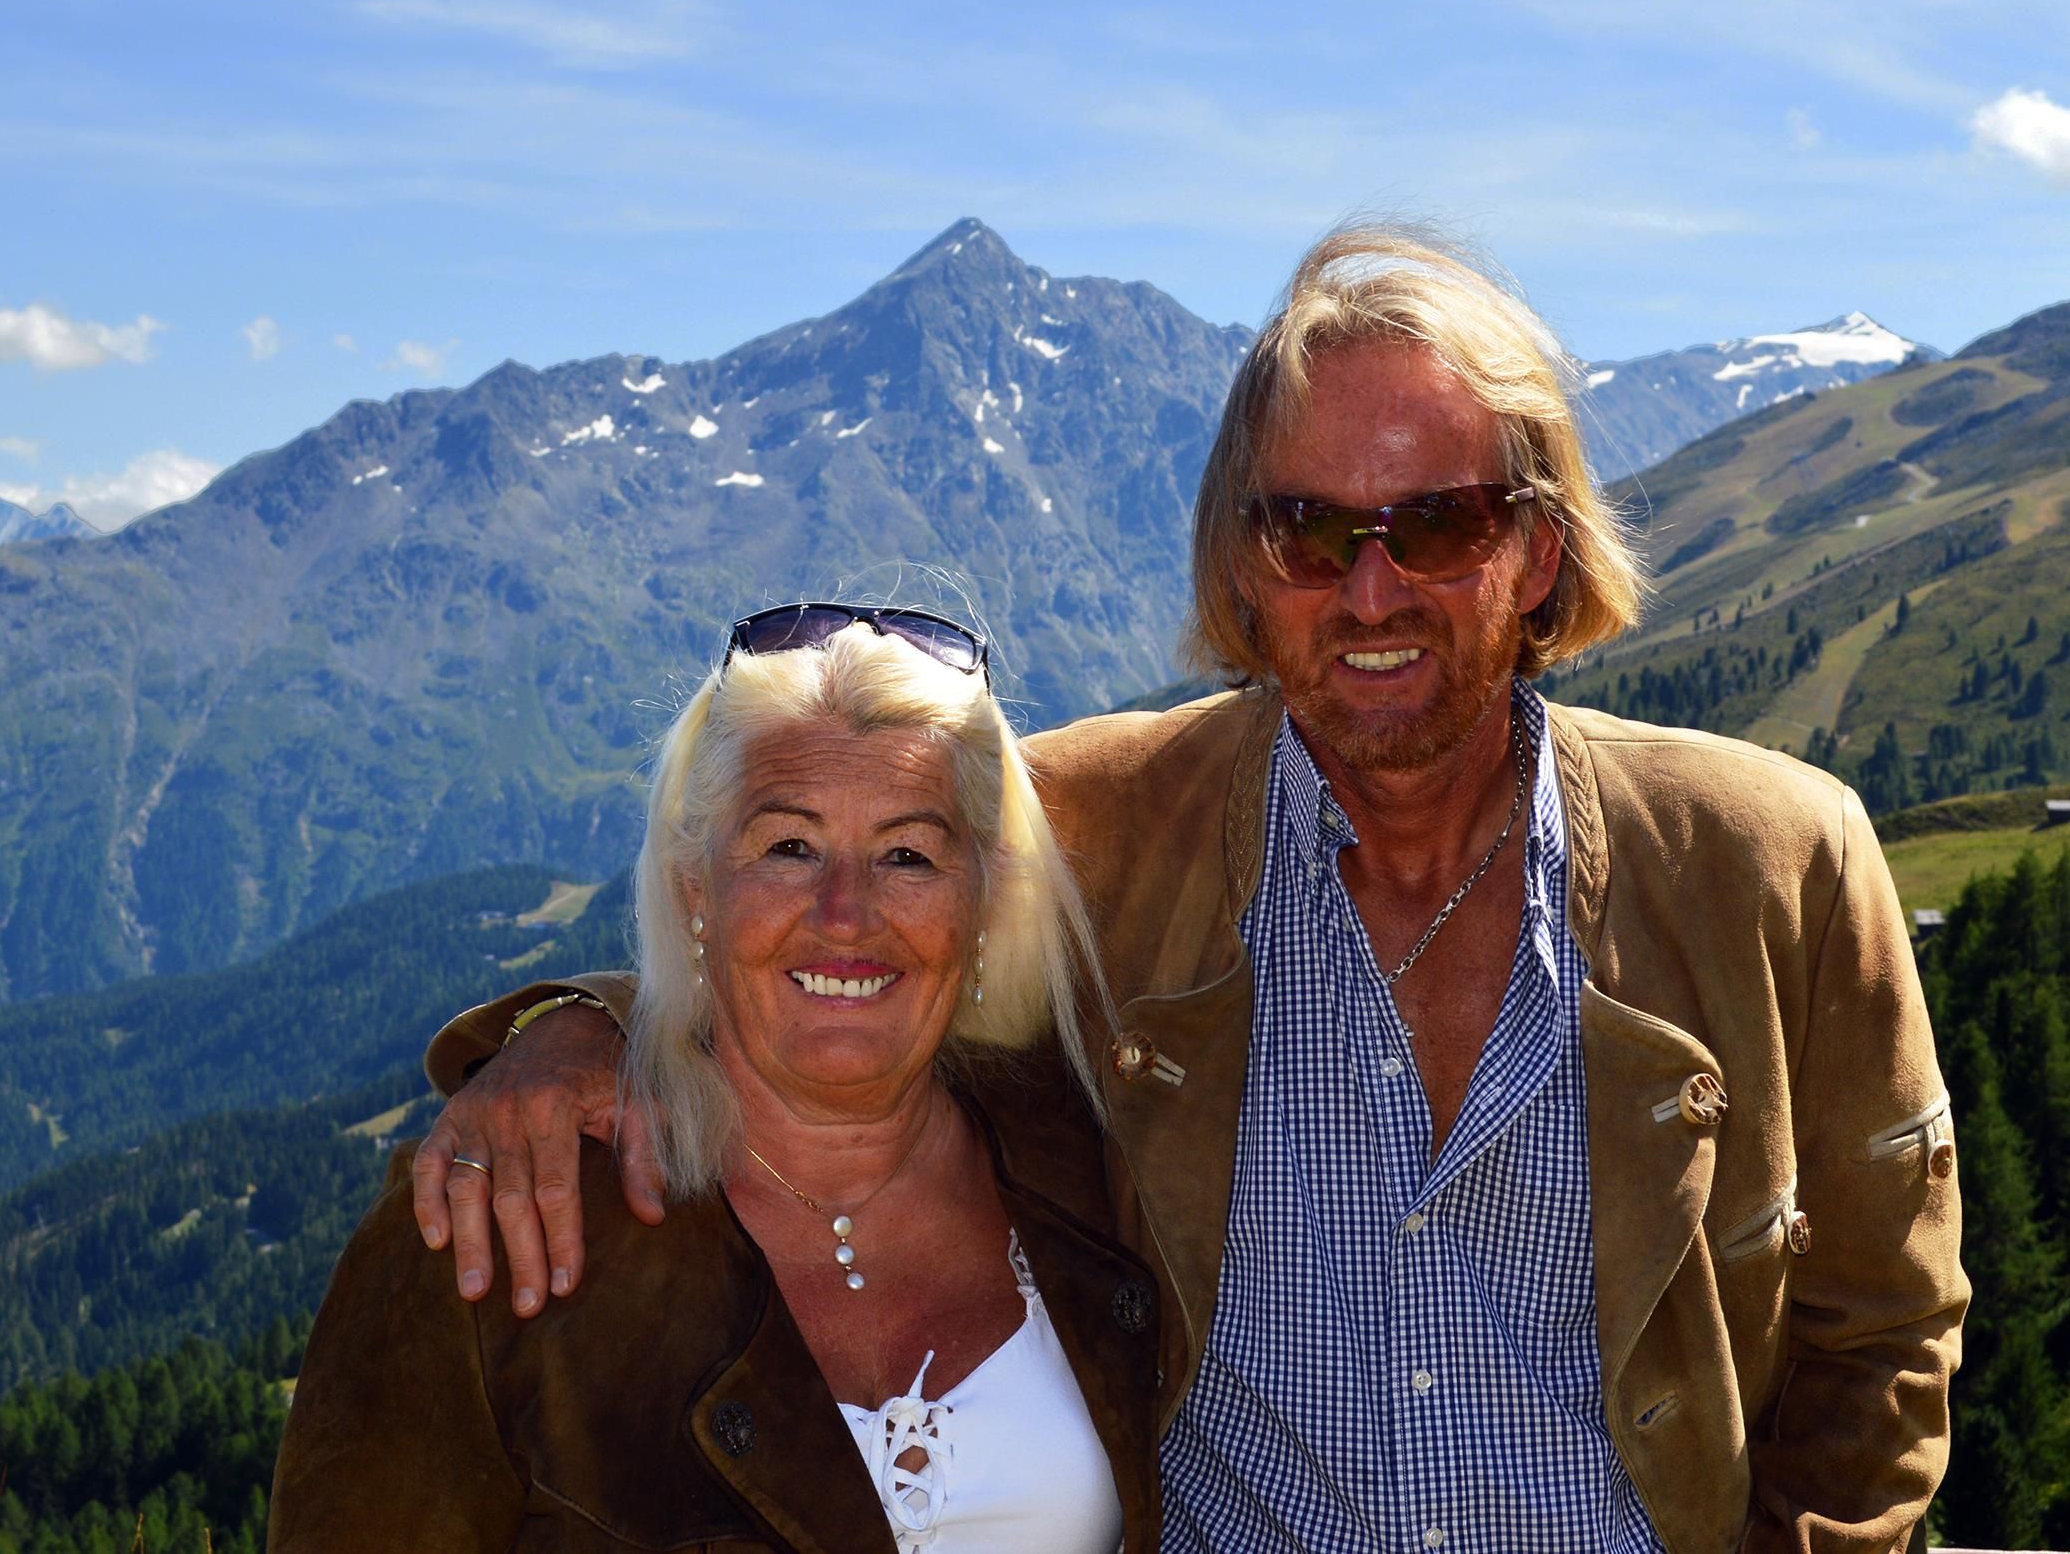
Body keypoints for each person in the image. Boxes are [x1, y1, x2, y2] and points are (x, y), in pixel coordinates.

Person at [417, 224, 1968, 1552]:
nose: (1371, 588)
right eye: (1307, 530)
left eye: (1437, 523)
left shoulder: (1776, 865)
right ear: (1242, 568)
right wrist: (573, 1031)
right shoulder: (1102, 826)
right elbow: (838, 910)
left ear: (1541, 556)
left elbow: (1883, 1332)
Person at [271, 609, 1162, 1552]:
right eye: (788, 847)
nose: (845, 913)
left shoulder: (1103, 1157)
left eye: (908, 854)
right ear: (696, 888)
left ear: (982, 898)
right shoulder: (494, 1221)